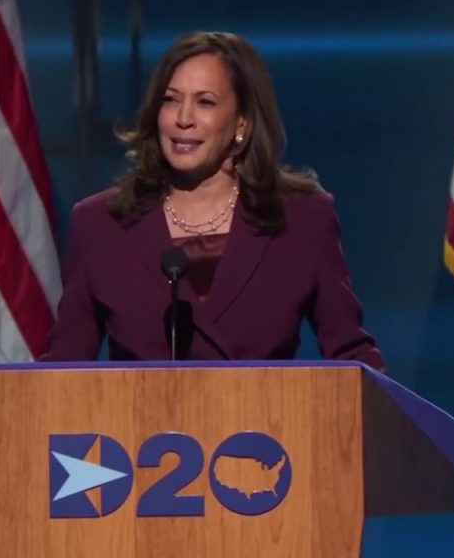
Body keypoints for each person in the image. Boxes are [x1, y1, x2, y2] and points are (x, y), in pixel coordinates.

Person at [40, 30, 384, 370]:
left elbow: (352, 356)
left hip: (262, 409)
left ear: (242, 123)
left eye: (205, 102)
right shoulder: (101, 224)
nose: (183, 119)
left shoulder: (301, 219)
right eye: (170, 100)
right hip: (139, 409)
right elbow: (63, 368)